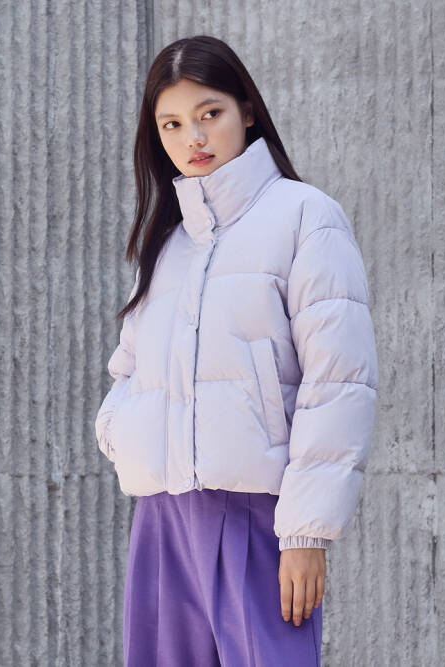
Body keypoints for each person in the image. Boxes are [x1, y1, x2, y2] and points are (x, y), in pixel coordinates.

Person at [94, 34, 379, 667]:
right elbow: (127, 371)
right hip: (162, 520)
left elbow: (337, 382)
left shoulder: (305, 217)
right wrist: (122, 434)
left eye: (210, 113)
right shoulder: (168, 244)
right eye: (172, 124)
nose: (193, 137)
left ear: (246, 110)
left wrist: (304, 532)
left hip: (258, 518)